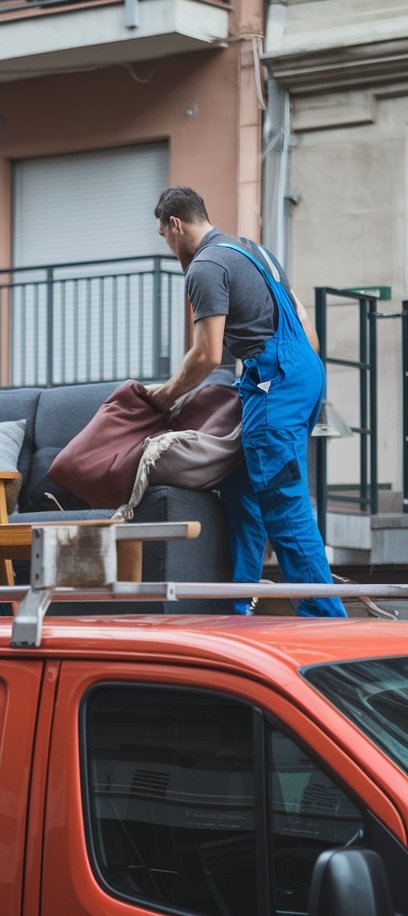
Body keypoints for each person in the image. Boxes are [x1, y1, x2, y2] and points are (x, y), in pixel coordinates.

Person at [149, 185, 346, 617]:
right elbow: (302, 321)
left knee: (282, 499)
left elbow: (206, 355)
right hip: (303, 369)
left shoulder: (205, 266)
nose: (168, 247)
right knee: (243, 488)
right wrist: (290, 376)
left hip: (274, 379)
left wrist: (162, 397)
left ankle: (326, 620)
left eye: (164, 236)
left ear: (175, 225)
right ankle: (237, 606)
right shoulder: (255, 251)